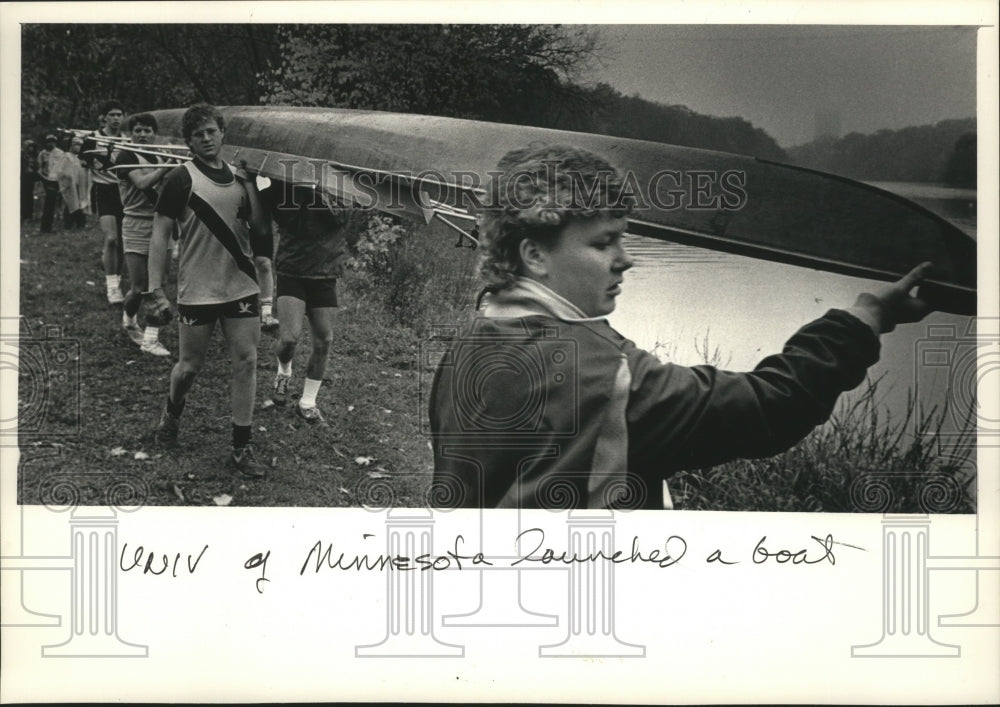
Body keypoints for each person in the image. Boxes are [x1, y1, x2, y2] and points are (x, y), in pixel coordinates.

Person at [428, 143, 935, 510]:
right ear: (535, 255)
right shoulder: (603, 375)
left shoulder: (469, 343)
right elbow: (770, 407)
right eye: (603, 243)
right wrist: (866, 319)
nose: (626, 260)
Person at [146, 103, 271, 478]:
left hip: (241, 285)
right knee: (189, 368)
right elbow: (159, 234)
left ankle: (241, 447)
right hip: (197, 289)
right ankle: (172, 413)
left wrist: (252, 185)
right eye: (198, 134)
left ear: (222, 134)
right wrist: (156, 289)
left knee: (246, 362)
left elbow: (261, 228)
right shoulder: (180, 179)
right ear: (188, 141)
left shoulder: (240, 179)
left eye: (211, 131)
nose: (206, 138)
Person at [259, 177, 352, 423]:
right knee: (289, 339)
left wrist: (314, 189)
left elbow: (339, 216)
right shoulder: (285, 182)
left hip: (325, 271)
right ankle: (283, 372)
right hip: (292, 269)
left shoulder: (341, 183)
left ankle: (308, 402)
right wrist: (293, 185)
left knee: (324, 339)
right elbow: (280, 214)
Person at [114, 112, 171, 357]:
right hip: (135, 224)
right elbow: (142, 183)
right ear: (131, 133)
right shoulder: (126, 155)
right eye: (138, 130)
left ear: (154, 133)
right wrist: (166, 167)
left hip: (160, 224)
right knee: (139, 287)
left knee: (158, 285)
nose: (142, 135)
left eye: (147, 130)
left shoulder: (162, 154)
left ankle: (150, 339)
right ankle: (128, 319)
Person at [82, 100, 127, 304]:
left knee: (124, 242)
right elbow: (83, 165)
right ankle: (111, 287)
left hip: (125, 193)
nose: (116, 118)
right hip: (104, 191)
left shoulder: (128, 140)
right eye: (112, 115)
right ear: (104, 117)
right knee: (111, 239)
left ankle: (116, 282)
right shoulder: (93, 139)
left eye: (119, 114)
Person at [55, 137, 91, 230]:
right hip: (70, 184)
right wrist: (67, 178)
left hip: (80, 184)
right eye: (76, 144)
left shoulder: (80, 158)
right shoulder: (66, 156)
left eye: (80, 145)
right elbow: (60, 170)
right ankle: (68, 223)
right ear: (71, 145)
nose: (78, 147)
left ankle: (81, 223)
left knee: (80, 203)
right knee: (70, 204)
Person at [37, 134, 64, 233]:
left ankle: (54, 219)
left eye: (52, 141)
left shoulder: (60, 153)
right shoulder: (42, 153)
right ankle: (45, 227)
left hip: (56, 179)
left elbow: (62, 166)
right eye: (49, 141)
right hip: (45, 178)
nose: (50, 144)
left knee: (55, 200)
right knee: (47, 201)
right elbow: (39, 166)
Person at [21, 139, 40, 223]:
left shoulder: (34, 156)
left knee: (30, 197)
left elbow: (37, 167)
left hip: (31, 178)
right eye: (29, 146)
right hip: (23, 178)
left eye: (32, 147)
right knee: (23, 197)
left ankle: (29, 215)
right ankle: (23, 215)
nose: (31, 148)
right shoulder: (21, 156)